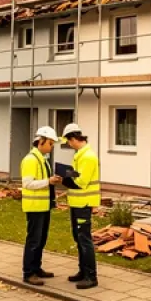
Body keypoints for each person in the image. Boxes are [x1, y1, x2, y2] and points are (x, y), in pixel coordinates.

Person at [60, 123, 100, 289]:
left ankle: (91, 276)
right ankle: (83, 271)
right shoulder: (80, 155)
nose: (68, 145)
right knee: (78, 238)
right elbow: (77, 174)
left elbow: (81, 181)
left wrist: (64, 178)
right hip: (76, 203)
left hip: (83, 203)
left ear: (74, 139)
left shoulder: (88, 157)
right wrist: (67, 173)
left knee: (84, 239)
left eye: (69, 141)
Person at [21, 126, 63, 286]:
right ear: (41, 142)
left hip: (44, 205)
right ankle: (28, 272)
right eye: (50, 144)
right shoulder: (31, 160)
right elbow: (27, 183)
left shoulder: (42, 159)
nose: (51, 147)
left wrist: (52, 181)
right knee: (34, 240)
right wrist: (48, 181)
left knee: (41, 239)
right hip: (34, 206)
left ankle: (36, 268)